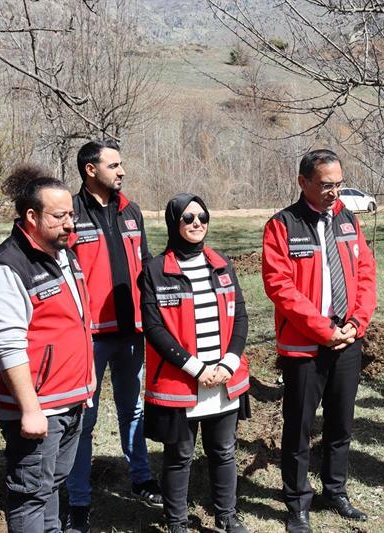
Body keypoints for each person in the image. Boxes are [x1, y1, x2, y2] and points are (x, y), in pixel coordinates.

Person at [262, 150, 377, 533]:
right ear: (303, 182)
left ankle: (335, 490)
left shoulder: (348, 220)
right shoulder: (282, 225)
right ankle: (297, 502)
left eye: (339, 184)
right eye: (326, 185)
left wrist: (356, 323)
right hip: (304, 346)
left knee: (341, 423)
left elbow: (366, 274)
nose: (334, 192)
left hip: (347, 341)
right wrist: (323, 329)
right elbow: (280, 287)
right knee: (298, 427)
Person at [140, 194, 250, 533]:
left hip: (223, 378)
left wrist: (228, 364)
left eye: (202, 216)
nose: (197, 223)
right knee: (180, 455)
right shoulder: (155, 270)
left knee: (224, 451)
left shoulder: (222, 263)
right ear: (174, 223)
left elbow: (240, 317)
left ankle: (227, 515)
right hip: (181, 381)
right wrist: (196, 369)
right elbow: (154, 328)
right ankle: (176, 521)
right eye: (188, 218)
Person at [0, 164, 95, 532]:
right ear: (32, 216)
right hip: (40, 408)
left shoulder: (63, 252)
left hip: (71, 399)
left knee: (52, 484)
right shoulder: (8, 267)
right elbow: (8, 345)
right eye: (59, 216)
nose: (70, 224)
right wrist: (30, 409)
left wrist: (87, 378)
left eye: (71, 214)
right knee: (30, 496)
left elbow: (77, 321)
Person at [66, 140, 160, 532]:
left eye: (121, 164)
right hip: (88, 337)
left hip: (132, 332)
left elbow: (146, 265)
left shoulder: (131, 211)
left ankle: (141, 478)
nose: (121, 171)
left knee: (132, 409)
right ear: (91, 170)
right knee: (84, 419)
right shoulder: (70, 214)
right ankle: (78, 499)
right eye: (114, 165)